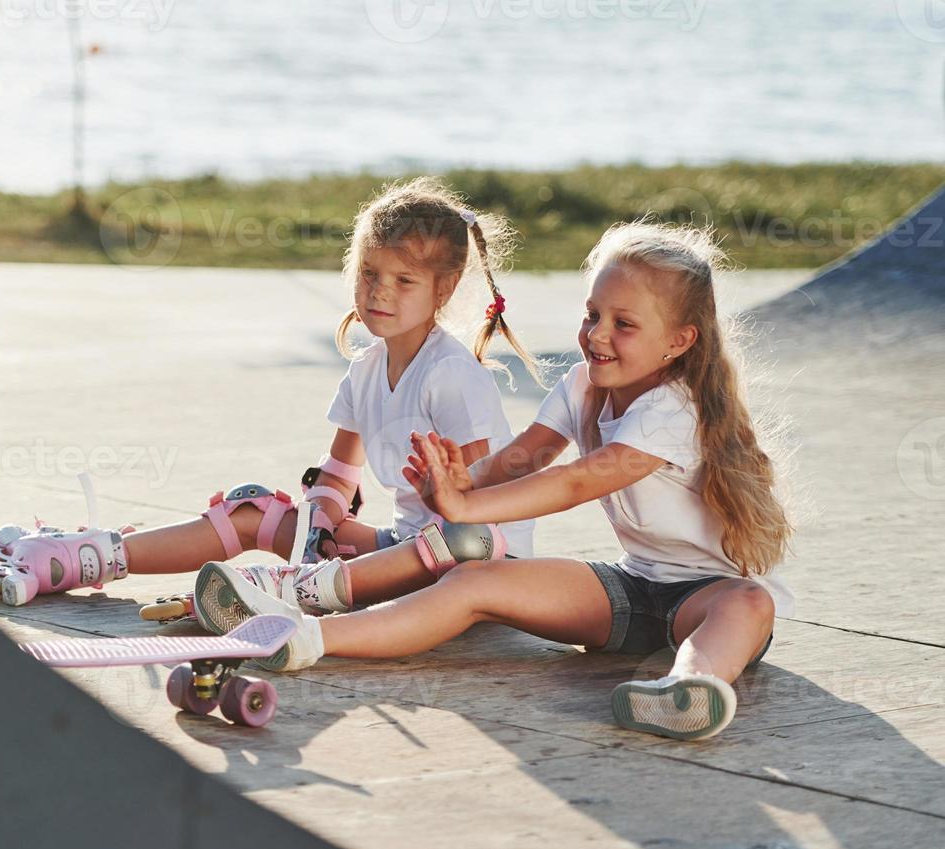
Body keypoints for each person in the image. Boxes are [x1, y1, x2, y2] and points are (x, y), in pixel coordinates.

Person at [197, 222, 794, 741]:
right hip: (634, 591)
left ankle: (688, 689)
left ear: (679, 341)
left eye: (624, 324)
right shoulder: (586, 386)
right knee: (472, 582)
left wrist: (463, 505)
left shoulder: (672, 408)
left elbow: (573, 484)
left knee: (749, 601)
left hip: (706, 598)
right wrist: (460, 484)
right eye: (592, 315)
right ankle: (305, 638)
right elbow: (523, 458)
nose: (598, 334)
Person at [0, 177, 542, 609]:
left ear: (442, 290)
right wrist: (321, 526)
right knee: (250, 508)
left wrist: (397, 528)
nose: (380, 293)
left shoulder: (451, 376)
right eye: (369, 274)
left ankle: (280, 594)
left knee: (430, 550)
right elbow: (338, 474)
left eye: (403, 281)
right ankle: (89, 557)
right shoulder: (366, 371)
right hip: (398, 550)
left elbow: (480, 505)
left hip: (463, 558)